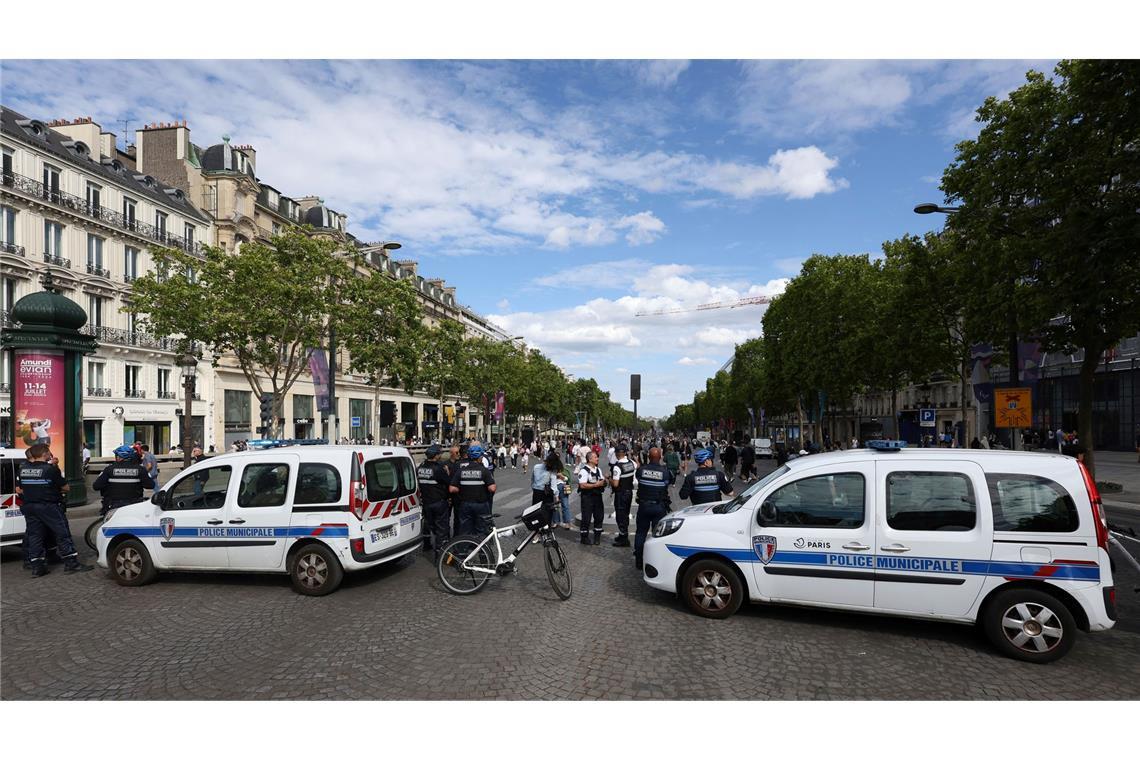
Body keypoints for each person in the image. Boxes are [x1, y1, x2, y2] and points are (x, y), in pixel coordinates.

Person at [17, 443, 91, 576]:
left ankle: (37, 567)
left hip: (30, 507)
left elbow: (20, 488)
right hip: (48, 506)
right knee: (62, 533)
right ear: (45, 453)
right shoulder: (50, 469)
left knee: (35, 536)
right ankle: (71, 563)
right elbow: (66, 487)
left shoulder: (23, 469)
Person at [633, 447, 672, 570]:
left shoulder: (641, 470)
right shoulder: (665, 472)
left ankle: (639, 560)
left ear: (648, 457)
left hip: (644, 506)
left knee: (640, 533)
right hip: (659, 507)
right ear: (660, 457)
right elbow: (669, 481)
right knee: (658, 535)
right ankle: (656, 561)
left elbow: (638, 478)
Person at [92, 444, 155, 515]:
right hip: (134, 505)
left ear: (119, 457)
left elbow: (96, 486)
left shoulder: (109, 469)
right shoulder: (140, 469)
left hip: (113, 505)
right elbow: (151, 485)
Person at [448, 444, 496, 536]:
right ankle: (481, 548)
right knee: (481, 528)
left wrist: (462, 489)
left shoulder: (461, 471)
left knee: (464, 529)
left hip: (465, 504)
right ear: (480, 457)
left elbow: (452, 489)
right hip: (481, 504)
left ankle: (463, 548)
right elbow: (492, 488)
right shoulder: (484, 471)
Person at [417, 444, 452, 559]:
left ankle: (428, 545)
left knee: (431, 527)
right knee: (441, 531)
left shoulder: (420, 468)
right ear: (436, 455)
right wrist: (447, 472)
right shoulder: (438, 469)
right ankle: (440, 557)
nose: (441, 455)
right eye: (440, 454)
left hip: (426, 504)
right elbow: (449, 483)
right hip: (439, 503)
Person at [577, 450, 607, 545]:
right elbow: (582, 485)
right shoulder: (584, 471)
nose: (597, 458)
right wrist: (595, 485)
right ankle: (584, 537)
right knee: (586, 518)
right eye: (595, 457)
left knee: (599, 517)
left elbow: (601, 481)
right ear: (589, 459)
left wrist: (604, 481)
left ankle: (597, 537)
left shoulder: (598, 470)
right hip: (587, 497)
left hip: (597, 497)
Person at [610, 443, 637, 547]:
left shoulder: (617, 466)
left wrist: (609, 479)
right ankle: (622, 535)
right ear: (625, 453)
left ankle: (624, 539)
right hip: (629, 492)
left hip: (621, 493)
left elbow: (616, 484)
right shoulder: (631, 463)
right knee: (625, 514)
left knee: (620, 516)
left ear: (617, 454)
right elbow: (637, 466)